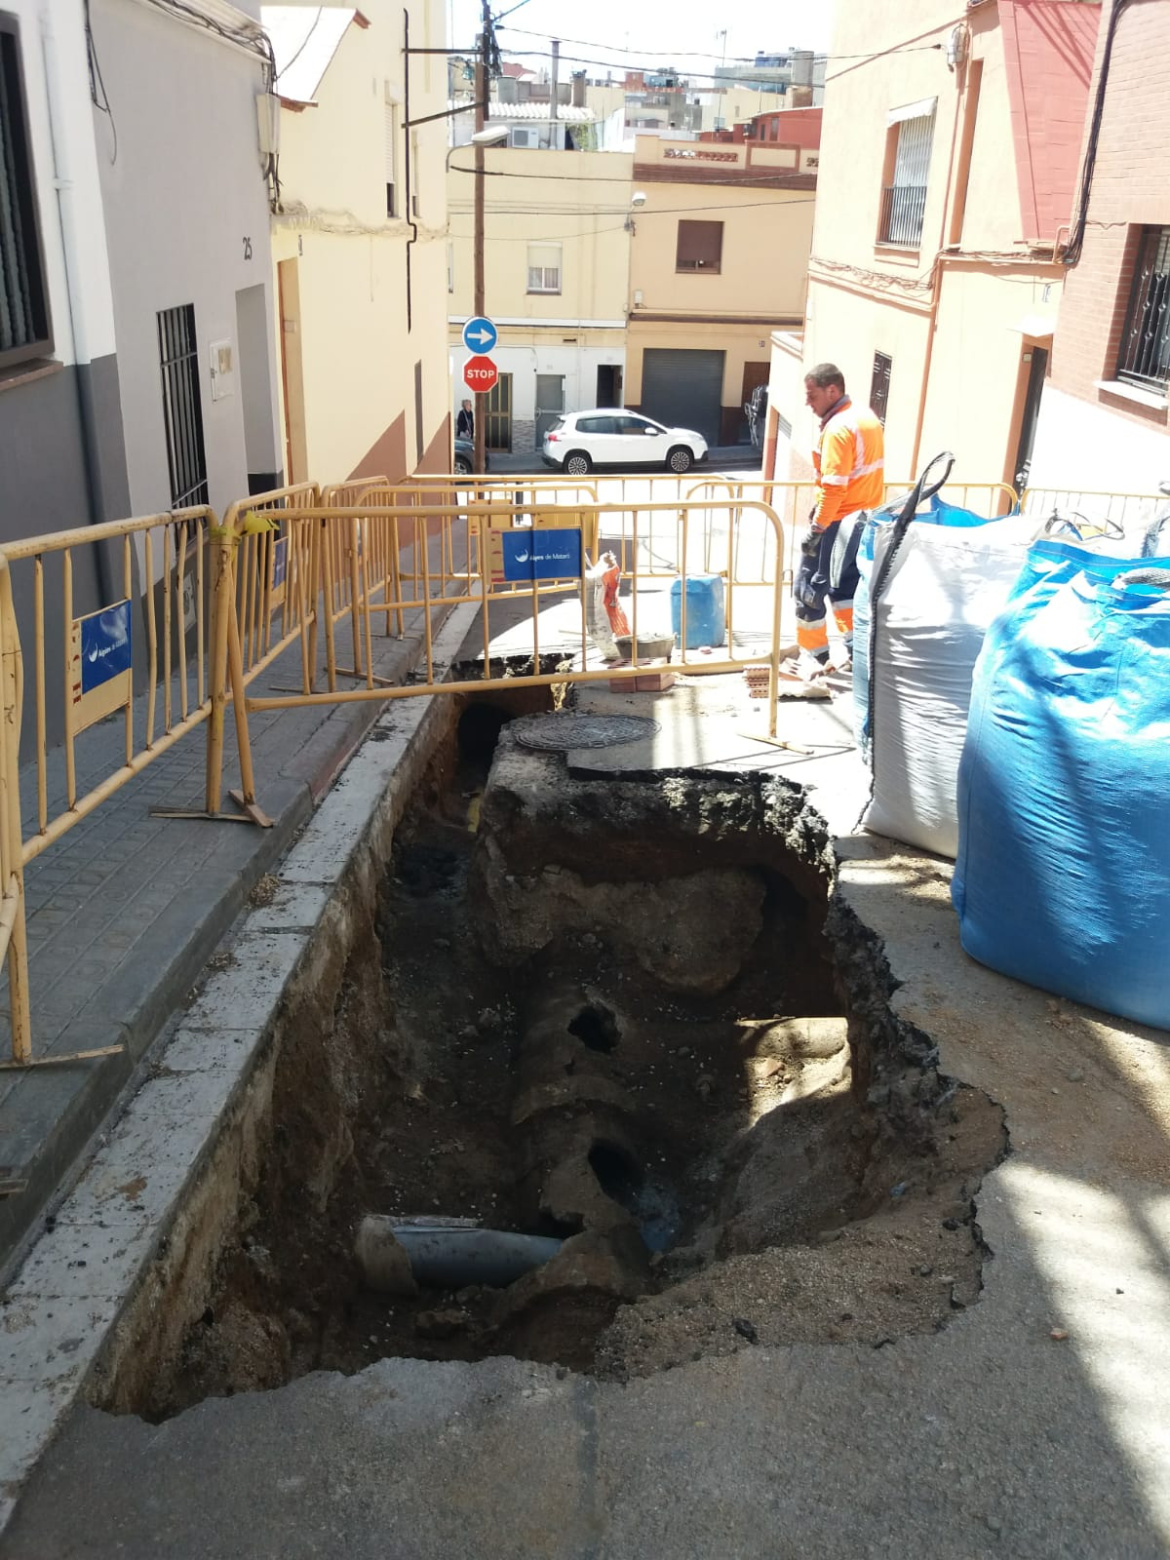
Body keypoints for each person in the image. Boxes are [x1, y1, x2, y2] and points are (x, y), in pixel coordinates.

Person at [794, 363, 885, 674]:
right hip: (864, 519)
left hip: (838, 522)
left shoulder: (838, 429)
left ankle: (813, 655)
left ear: (831, 390)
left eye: (812, 395)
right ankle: (856, 653)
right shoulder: (865, 418)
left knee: (808, 589)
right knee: (846, 589)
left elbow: (834, 488)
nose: (808, 402)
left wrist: (817, 528)